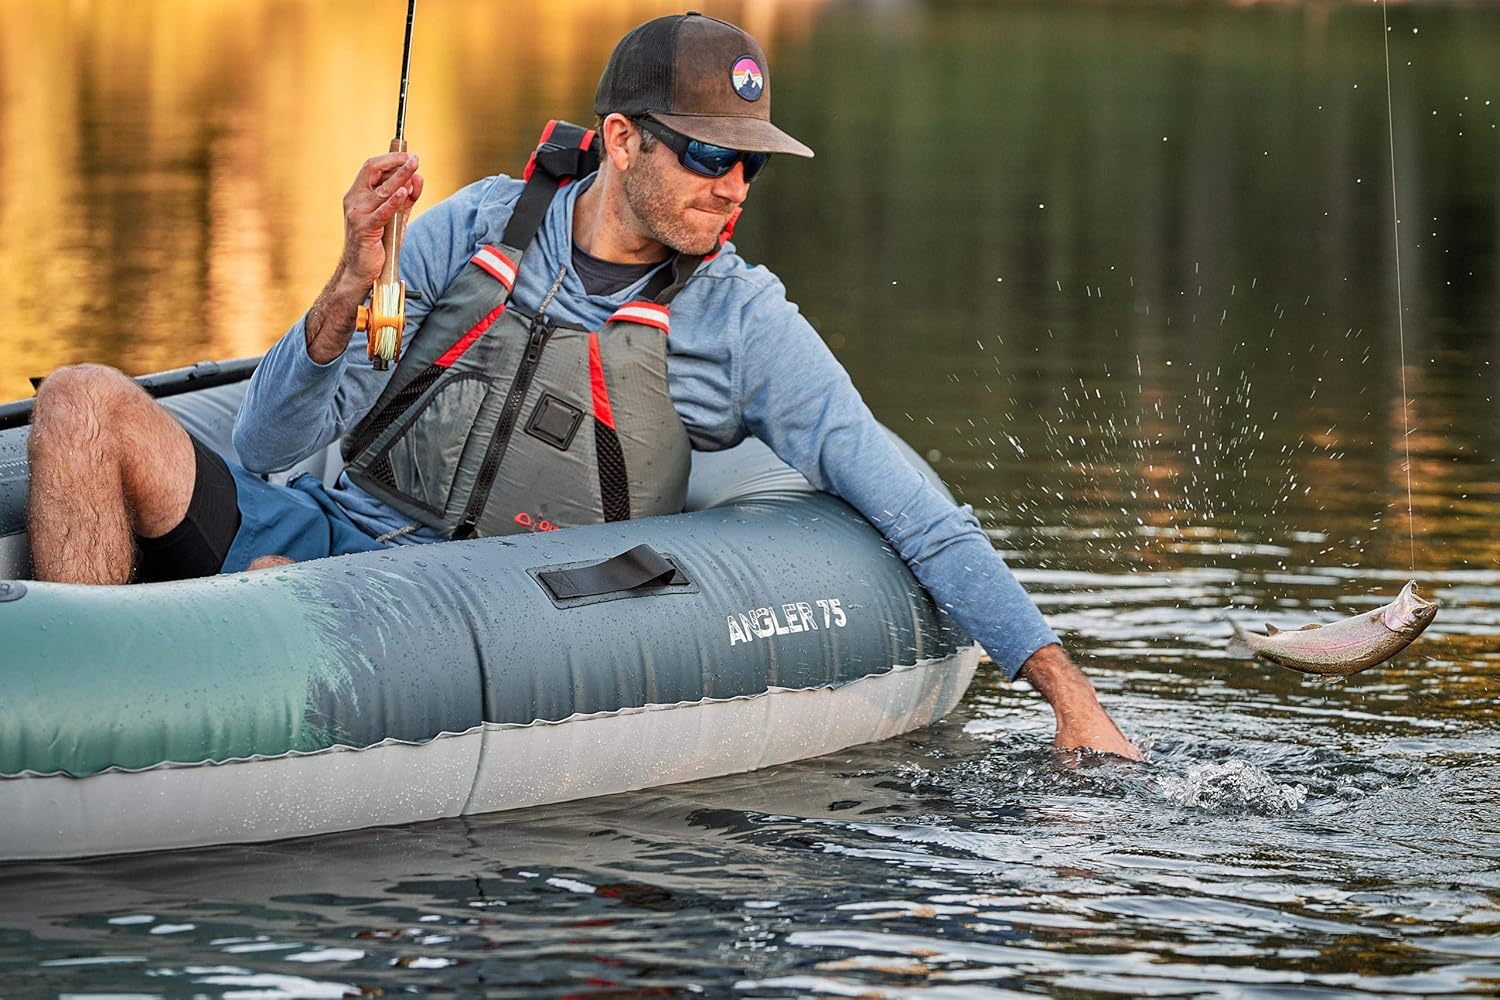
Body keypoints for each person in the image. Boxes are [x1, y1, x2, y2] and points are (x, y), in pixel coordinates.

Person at [25, 13, 1140, 759]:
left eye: (751, 162)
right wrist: (348, 284)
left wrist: (1067, 693)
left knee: (278, 587)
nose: (735, 186)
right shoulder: (470, 226)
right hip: (336, 526)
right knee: (80, 400)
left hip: (480, 609)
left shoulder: (742, 321)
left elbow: (908, 501)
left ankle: (120, 722)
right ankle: (76, 705)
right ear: (620, 140)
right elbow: (269, 447)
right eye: (709, 155)